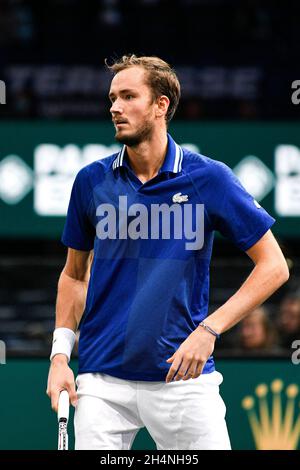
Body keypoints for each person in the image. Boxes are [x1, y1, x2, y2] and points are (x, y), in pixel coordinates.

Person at [46, 54, 289, 450]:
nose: (115, 107)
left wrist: (210, 329)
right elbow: (74, 275)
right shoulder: (91, 181)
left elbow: (274, 266)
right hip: (102, 382)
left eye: (128, 96)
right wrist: (59, 356)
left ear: (161, 105)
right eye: (112, 98)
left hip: (183, 380)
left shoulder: (208, 178)